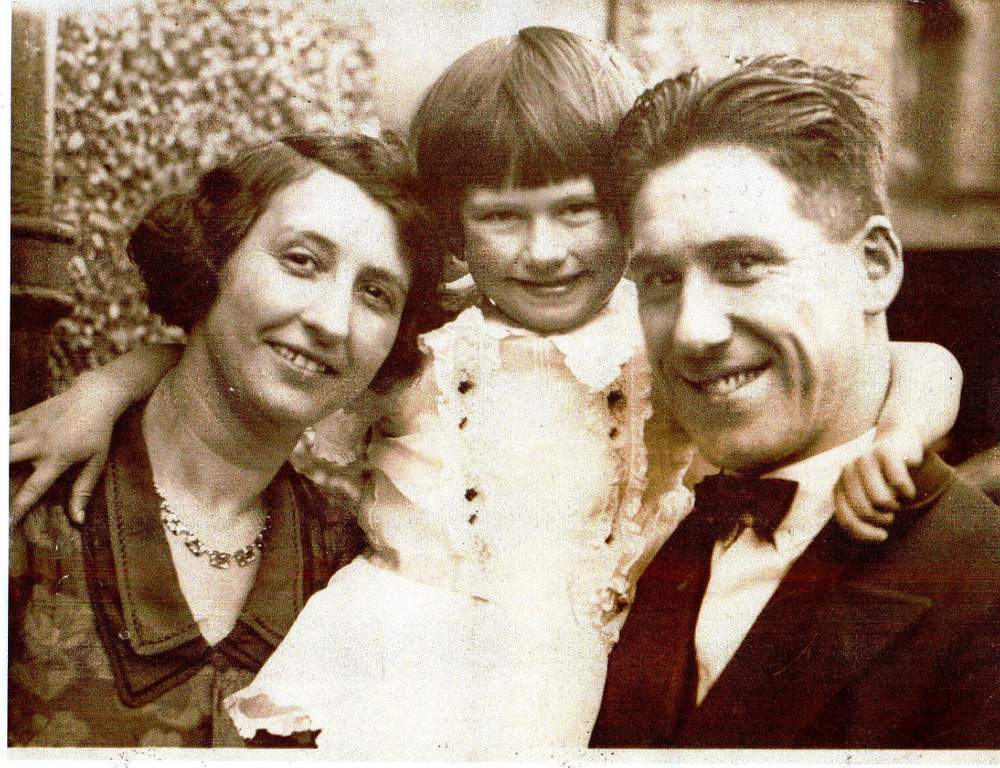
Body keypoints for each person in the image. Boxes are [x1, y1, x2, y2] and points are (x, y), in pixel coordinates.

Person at [10, 31, 961, 756]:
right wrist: (108, 387)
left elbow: (912, 356)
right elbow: (244, 362)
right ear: (459, 230)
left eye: (576, 212)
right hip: (400, 660)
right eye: (501, 219)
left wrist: (906, 433)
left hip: (587, 666)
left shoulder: (660, 337)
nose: (542, 253)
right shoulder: (425, 334)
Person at [589, 56, 999, 749]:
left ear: (874, 266)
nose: (692, 330)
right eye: (659, 278)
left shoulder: (981, 587)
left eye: (742, 264)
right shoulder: (644, 534)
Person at [8, 131, 442, 747]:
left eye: (376, 294)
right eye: (302, 262)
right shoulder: (27, 511)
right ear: (214, 260)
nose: (331, 321)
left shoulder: (358, 564)